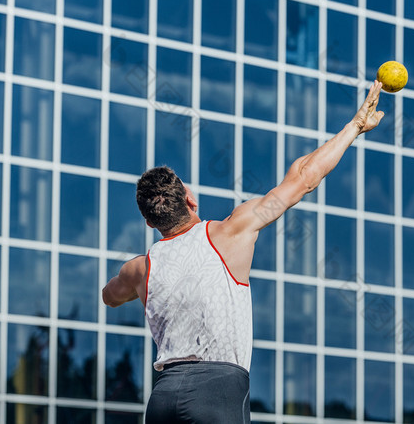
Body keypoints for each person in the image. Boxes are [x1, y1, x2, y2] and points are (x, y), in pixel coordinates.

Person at [102, 80, 386, 423]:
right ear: (190, 200)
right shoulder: (231, 231)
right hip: (217, 392)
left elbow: (109, 296)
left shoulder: (141, 269)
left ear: (150, 223)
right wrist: (354, 126)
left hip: (163, 399)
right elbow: (303, 178)